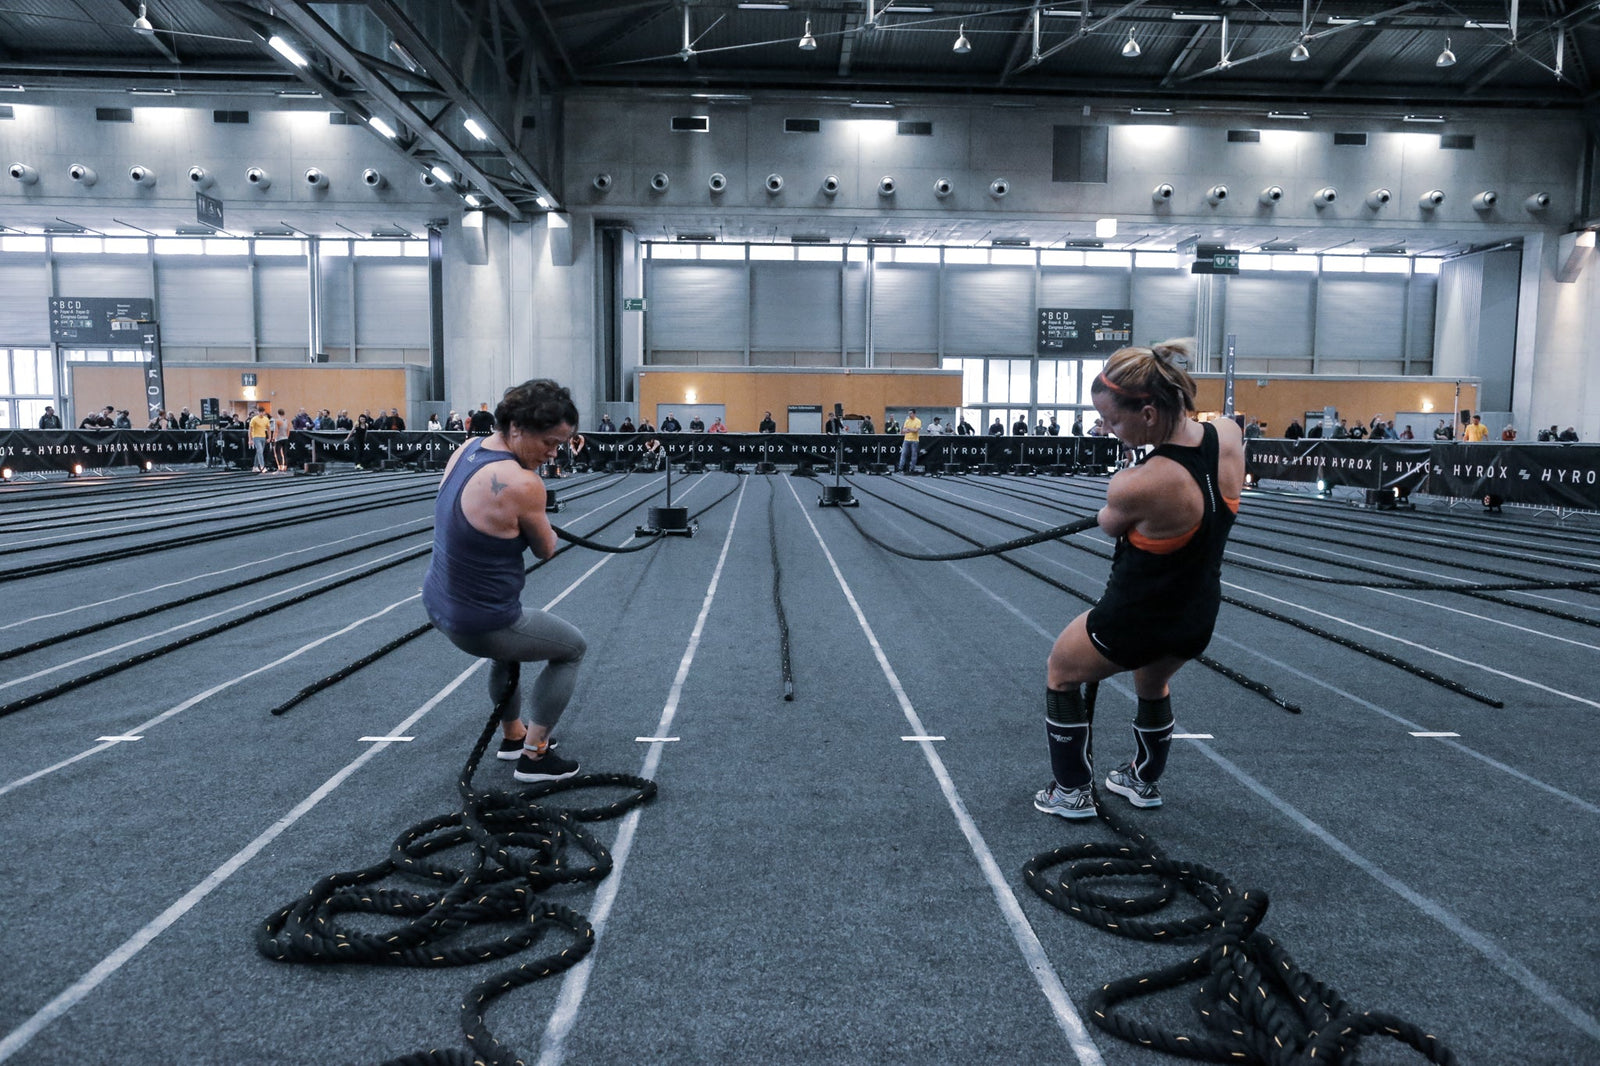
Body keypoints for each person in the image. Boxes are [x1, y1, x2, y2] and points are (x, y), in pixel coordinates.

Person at [1036, 339, 1243, 820]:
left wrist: (1139, 469)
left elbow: (1109, 522)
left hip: (1135, 617)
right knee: (1153, 685)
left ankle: (1071, 792)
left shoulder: (1139, 482)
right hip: (1196, 616)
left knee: (1061, 673)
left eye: (1112, 421)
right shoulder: (1228, 436)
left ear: (1148, 413)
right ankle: (1142, 781)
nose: (1107, 430)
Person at [421, 379, 587, 784]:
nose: (553, 453)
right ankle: (534, 757)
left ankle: (513, 735)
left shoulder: (467, 449)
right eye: (549, 443)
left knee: (508, 653)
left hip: (438, 601)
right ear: (516, 429)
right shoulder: (523, 484)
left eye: (561, 444)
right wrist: (537, 516)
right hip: (482, 622)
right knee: (572, 649)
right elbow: (546, 549)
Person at [897, 408, 922, 474]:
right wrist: (910, 429)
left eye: (911, 413)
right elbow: (903, 431)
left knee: (914, 455)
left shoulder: (918, 421)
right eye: (909, 413)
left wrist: (908, 429)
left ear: (914, 413)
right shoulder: (907, 420)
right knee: (903, 454)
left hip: (914, 440)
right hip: (906, 440)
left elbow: (916, 430)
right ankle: (900, 468)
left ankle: (912, 468)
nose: (909, 415)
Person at [248, 405, 272, 473]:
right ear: (258, 412)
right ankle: (262, 466)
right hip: (256, 437)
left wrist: (269, 437)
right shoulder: (254, 419)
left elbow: (268, 429)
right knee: (260, 451)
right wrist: (250, 439)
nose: (261, 413)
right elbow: (250, 430)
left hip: (263, 437)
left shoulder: (266, 419)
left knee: (259, 452)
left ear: (264, 412)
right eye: (260, 412)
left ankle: (255, 467)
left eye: (262, 412)